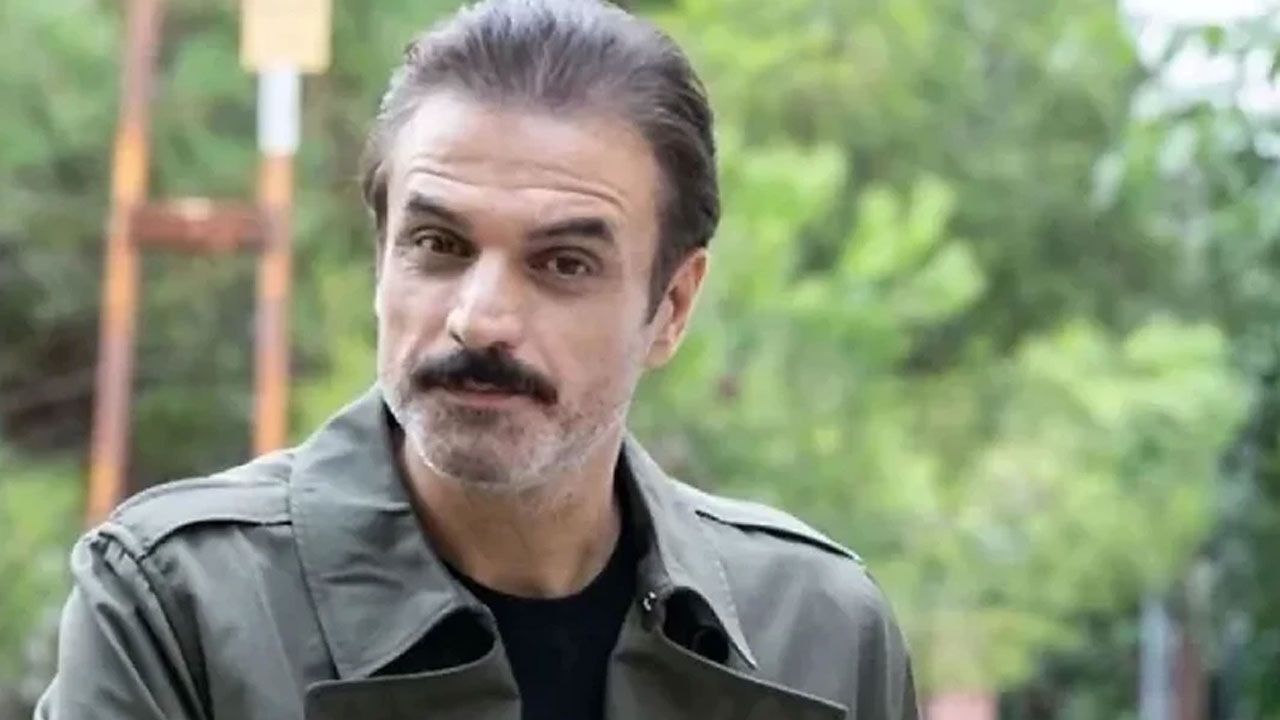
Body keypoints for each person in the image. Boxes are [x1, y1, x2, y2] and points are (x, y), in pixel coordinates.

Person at [36, 1, 919, 718]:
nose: (479, 320)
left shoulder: (816, 635)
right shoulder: (177, 608)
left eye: (563, 263)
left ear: (672, 308)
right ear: (382, 260)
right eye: (439, 244)